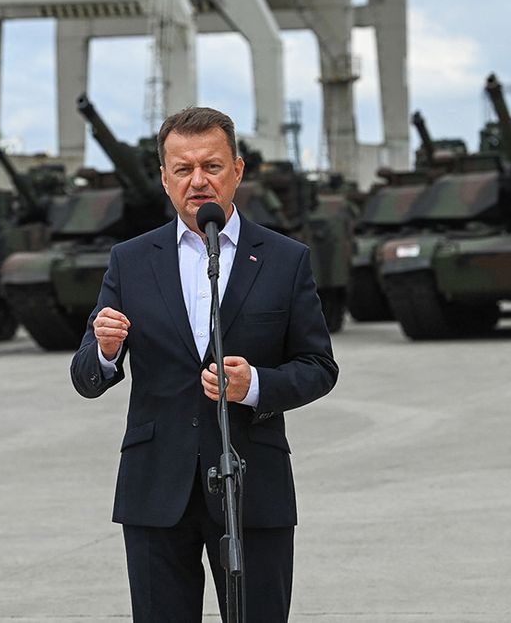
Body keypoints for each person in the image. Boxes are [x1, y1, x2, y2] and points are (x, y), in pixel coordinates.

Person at [70, 106, 338, 622]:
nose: (198, 181)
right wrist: (104, 352)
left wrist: (255, 384)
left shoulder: (285, 259)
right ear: (165, 178)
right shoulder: (131, 260)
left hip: (252, 484)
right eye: (183, 169)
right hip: (155, 488)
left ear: (237, 170)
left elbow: (318, 366)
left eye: (212, 167)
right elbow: (86, 376)